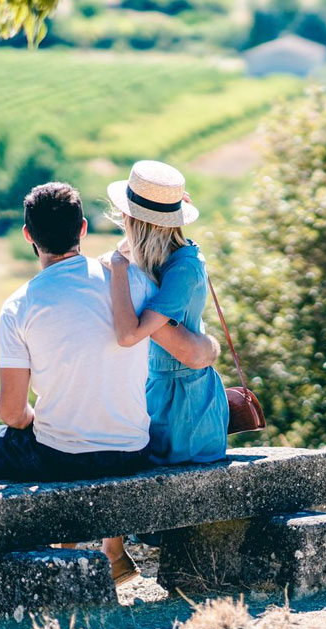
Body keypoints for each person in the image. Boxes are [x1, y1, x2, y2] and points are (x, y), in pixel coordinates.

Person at [0, 182, 219, 585]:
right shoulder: (135, 284)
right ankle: (110, 557)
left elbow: (11, 412)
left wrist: (40, 420)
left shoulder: (19, 305)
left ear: (28, 235)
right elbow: (175, 347)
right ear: (83, 229)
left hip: (61, 456)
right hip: (132, 450)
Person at [102, 160, 230, 466]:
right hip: (161, 389)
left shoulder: (183, 267)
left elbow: (129, 335)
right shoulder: (164, 256)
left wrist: (118, 269)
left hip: (185, 401)